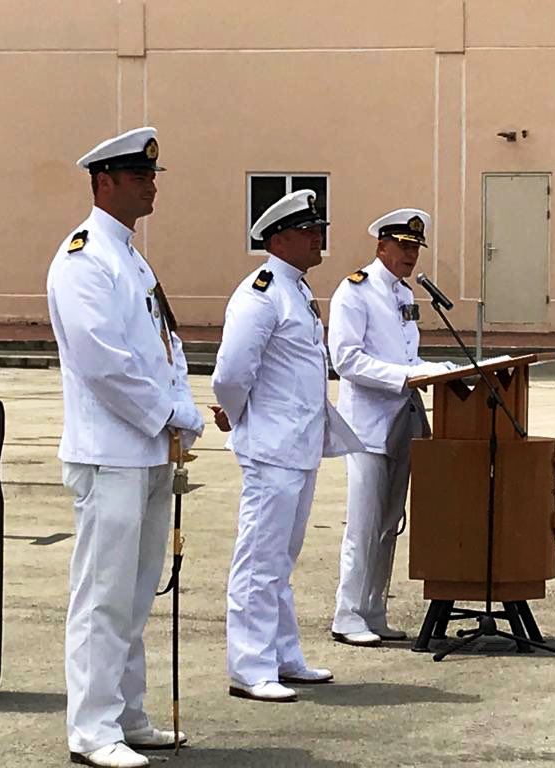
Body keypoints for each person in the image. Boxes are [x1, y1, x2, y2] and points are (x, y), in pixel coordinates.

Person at [46, 127, 204, 768]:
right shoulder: (84, 259)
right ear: (103, 182)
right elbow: (103, 363)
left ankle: (127, 714)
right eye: (139, 177)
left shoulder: (131, 258)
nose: (151, 187)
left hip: (148, 450)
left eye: (153, 177)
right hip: (109, 451)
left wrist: (178, 415)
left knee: (136, 596)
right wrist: (169, 413)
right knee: (102, 595)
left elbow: (163, 347)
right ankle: (91, 730)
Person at [212, 189, 362, 702]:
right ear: (278, 240)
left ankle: (282, 655)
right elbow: (232, 372)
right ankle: (250, 667)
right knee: (259, 559)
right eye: (308, 231)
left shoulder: (295, 288)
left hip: (298, 444)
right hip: (271, 446)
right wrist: (237, 416)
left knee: (281, 558)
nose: (318, 238)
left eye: (319, 230)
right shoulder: (261, 293)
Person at [327, 208, 455, 647]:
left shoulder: (404, 293)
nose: (411, 255)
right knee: (363, 525)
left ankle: (374, 610)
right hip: (365, 426)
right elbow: (346, 360)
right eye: (402, 246)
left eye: (416, 247)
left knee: (388, 524)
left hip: (402, 419)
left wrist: (437, 369)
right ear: (381, 246)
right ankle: (347, 613)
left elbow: (406, 357)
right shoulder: (355, 291)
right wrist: (407, 376)